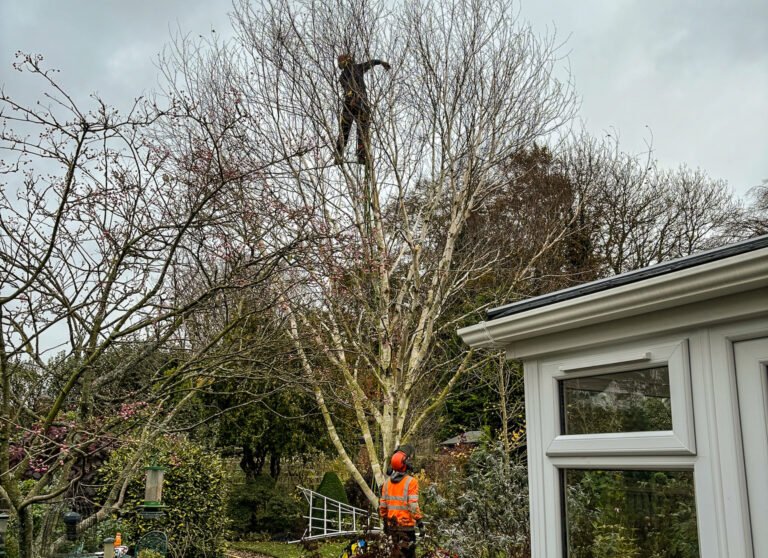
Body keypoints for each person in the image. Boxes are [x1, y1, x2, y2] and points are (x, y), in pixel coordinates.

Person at [335, 53, 391, 165]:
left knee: (350, 130)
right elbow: (371, 63)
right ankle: (352, 155)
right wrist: (380, 62)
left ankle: (345, 154)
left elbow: (371, 63)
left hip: (353, 103)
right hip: (357, 103)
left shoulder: (354, 69)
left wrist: (380, 62)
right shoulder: (353, 70)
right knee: (359, 130)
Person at [378, 445, 424, 558]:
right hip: (406, 528)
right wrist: (420, 523)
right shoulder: (411, 482)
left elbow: (382, 507)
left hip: (391, 528)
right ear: (405, 464)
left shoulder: (386, 484)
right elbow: (413, 506)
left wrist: (385, 523)